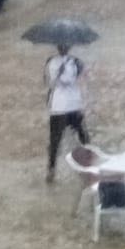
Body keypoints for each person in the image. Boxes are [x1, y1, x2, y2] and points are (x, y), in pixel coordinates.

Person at [44, 44, 90, 183]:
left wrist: (61, 74)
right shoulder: (54, 62)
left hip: (69, 105)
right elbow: (51, 81)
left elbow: (70, 79)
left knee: (83, 136)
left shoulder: (73, 62)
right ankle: (51, 170)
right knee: (55, 141)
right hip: (62, 106)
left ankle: (89, 164)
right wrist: (60, 73)